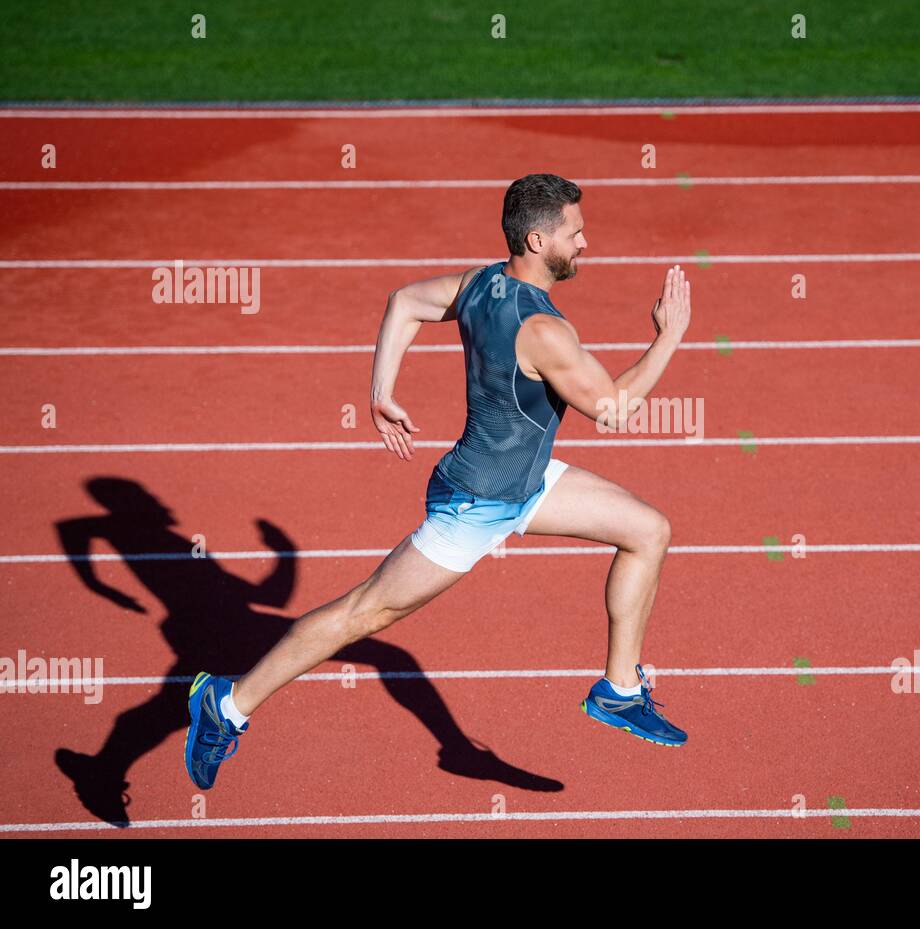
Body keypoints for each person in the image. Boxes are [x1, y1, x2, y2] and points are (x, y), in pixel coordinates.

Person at [185, 173, 693, 791]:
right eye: (576, 232)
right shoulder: (545, 332)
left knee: (648, 531)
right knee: (363, 613)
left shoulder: (480, 284)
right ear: (537, 239)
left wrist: (381, 393)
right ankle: (227, 704)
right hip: (476, 502)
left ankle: (618, 691)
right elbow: (615, 409)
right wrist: (668, 338)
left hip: (523, 481)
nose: (586, 243)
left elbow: (403, 301)